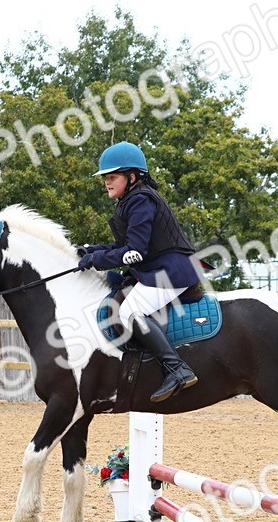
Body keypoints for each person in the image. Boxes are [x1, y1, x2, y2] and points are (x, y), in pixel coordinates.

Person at [77, 141, 200, 402]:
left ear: (131, 177)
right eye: (106, 178)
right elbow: (123, 245)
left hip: (170, 271)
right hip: (157, 269)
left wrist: (97, 259)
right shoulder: (130, 200)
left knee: (130, 311)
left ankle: (177, 369)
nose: (107, 183)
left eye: (112, 177)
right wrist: (90, 250)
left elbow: (135, 252)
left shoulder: (141, 200)